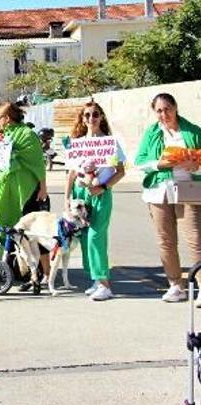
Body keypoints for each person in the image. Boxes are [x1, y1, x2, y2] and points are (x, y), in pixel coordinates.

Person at [134, 93, 201, 303]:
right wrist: (158, 164)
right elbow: (140, 162)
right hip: (159, 191)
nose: (164, 114)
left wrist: (197, 165)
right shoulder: (152, 134)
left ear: (176, 107)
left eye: (168, 109)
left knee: (196, 239)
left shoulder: (192, 131)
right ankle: (175, 285)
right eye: (159, 111)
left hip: (188, 188)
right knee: (166, 240)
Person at [64, 102, 125, 301]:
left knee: (96, 237)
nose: (92, 119)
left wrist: (104, 187)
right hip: (80, 195)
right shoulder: (77, 143)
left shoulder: (110, 143)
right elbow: (71, 174)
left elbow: (121, 171)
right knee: (84, 239)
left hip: (100, 195)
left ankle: (105, 284)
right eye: (87, 115)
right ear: (83, 119)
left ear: (101, 117)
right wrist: (67, 198)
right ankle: (95, 279)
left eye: (95, 114)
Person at [0, 102, 49, 276]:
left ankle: (46, 272)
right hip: (7, 193)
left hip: (29, 192)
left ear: (7, 118)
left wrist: (43, 187)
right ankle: (20, 270)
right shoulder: (0, 136)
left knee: (33, 233)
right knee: (11, 230)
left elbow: (37, 163)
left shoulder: (27, 135)